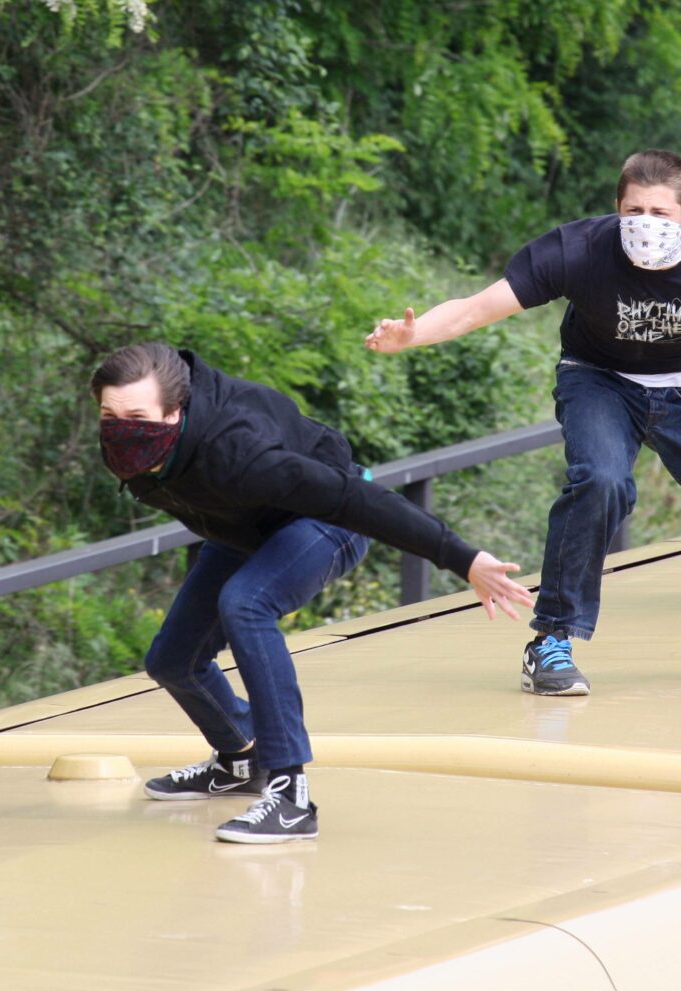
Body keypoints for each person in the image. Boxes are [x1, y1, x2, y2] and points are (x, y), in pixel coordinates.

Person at [365, 150, 681, 695]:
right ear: (616, 209)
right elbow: (476, 308)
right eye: (634, 211)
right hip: (598, 380)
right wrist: (413, 335)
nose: (646, 225)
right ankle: (552, 640)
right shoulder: (580, 249)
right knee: (601, 482)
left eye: (660, 214)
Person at [93, 341, 535, 843]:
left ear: (176, 412)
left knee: (247, 603)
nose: (121, 429)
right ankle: (240, 760)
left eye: (137, 416)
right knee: (172, 660)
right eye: (110, 415)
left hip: (327, 518)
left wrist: (464, 559)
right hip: (243, 527)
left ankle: (290, 797)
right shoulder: (131, 446)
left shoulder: (241, 453)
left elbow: (352, 498)